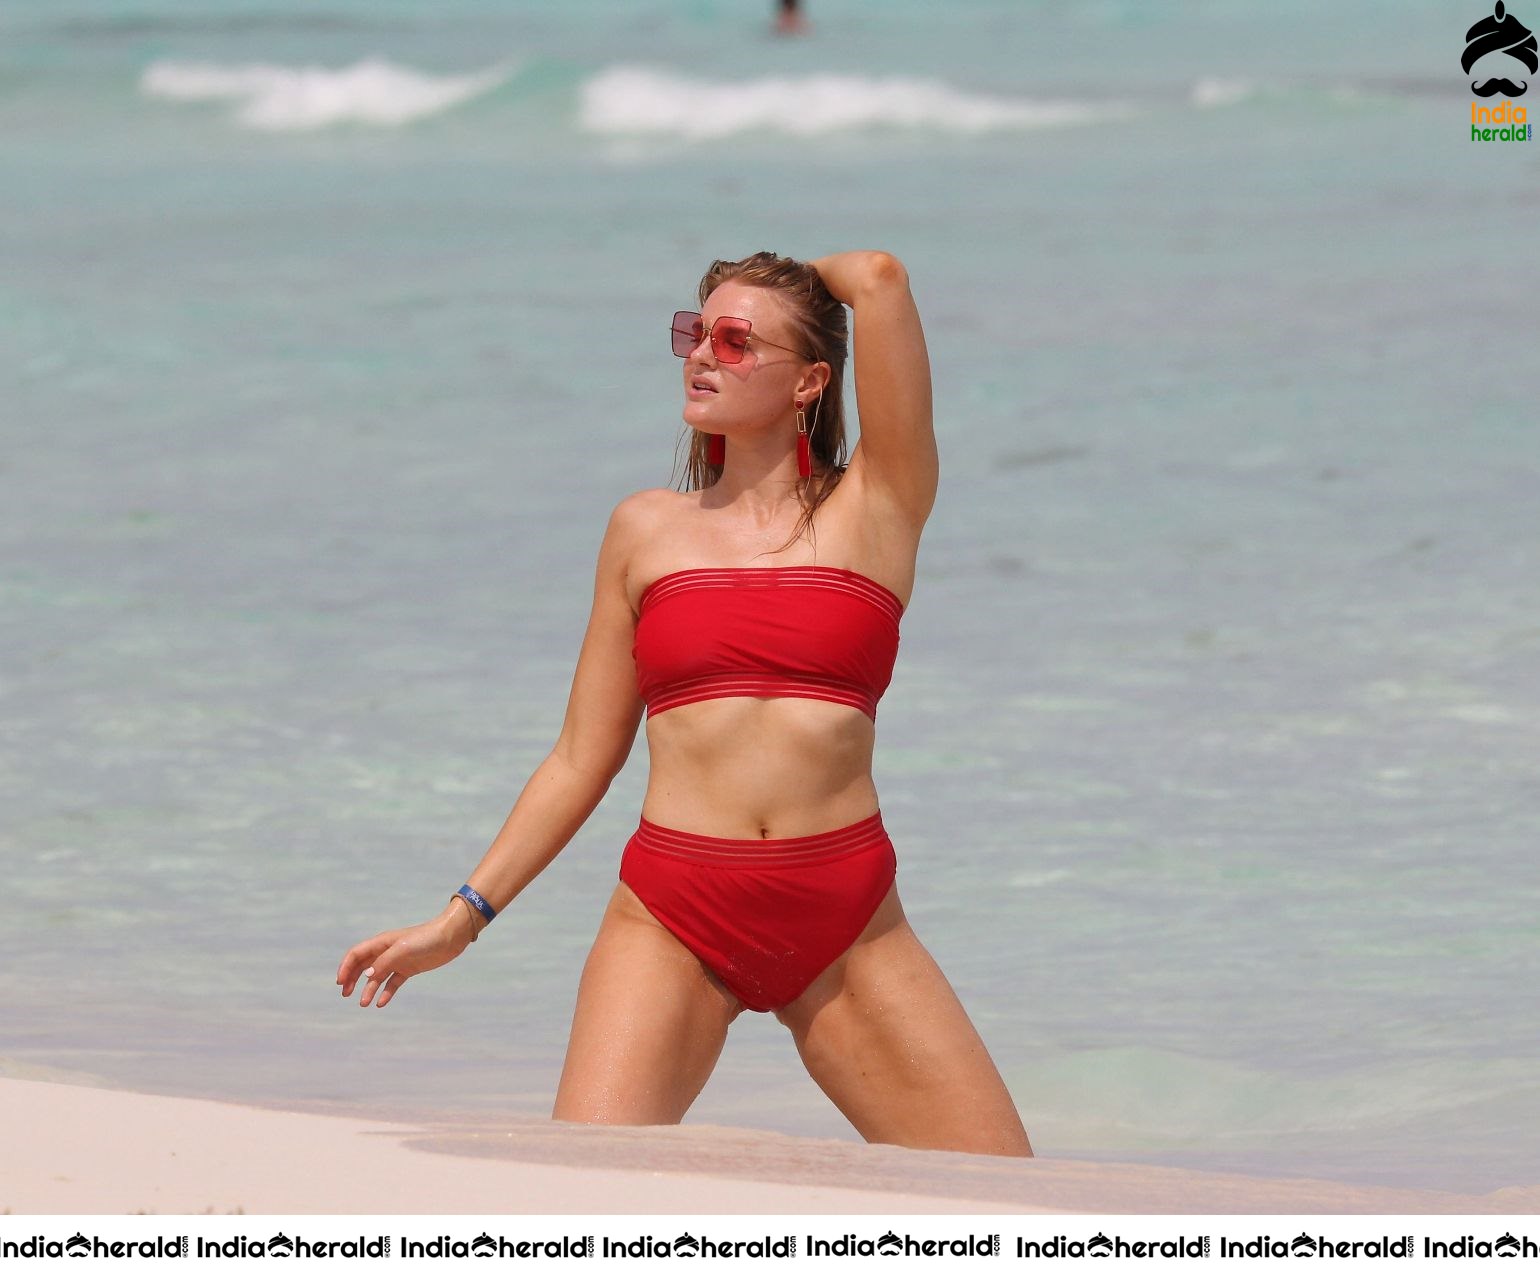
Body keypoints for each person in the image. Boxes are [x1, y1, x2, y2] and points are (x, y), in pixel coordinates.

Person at [336, 250, 1033, 1158]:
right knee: (587, 1208)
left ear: (811, 381)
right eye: (694, 333)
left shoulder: (878, 507)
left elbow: (882, 278)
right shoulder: (644, 531)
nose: (703, 354)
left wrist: (797, 277)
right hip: (673, 913)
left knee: (1010, 1205)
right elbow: (583, 755)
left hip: (845, 917)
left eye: (737, 339)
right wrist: (460, 918)